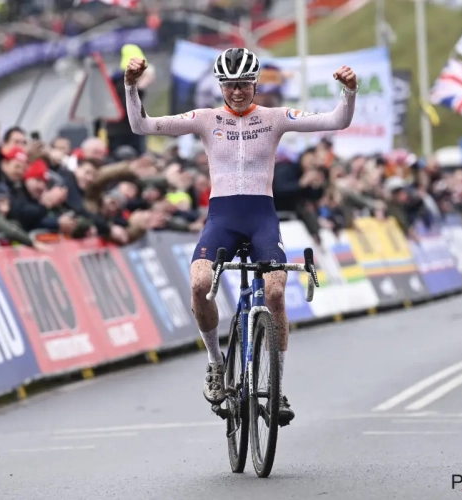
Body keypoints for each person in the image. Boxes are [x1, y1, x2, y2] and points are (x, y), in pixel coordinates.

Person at [124, 48, 358, 426]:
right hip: (223, 219)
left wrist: (349, 92)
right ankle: (217, 364)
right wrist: (131, 87)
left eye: (244, 85)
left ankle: (277, 383)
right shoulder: (204, 119)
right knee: (200, 284)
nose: (237, 92)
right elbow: (142, 127)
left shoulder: (275, 118)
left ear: (255, 84)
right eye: (230, 85)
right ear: (220, 85)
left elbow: (337, 121)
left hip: (262, 218)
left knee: (277, 293)